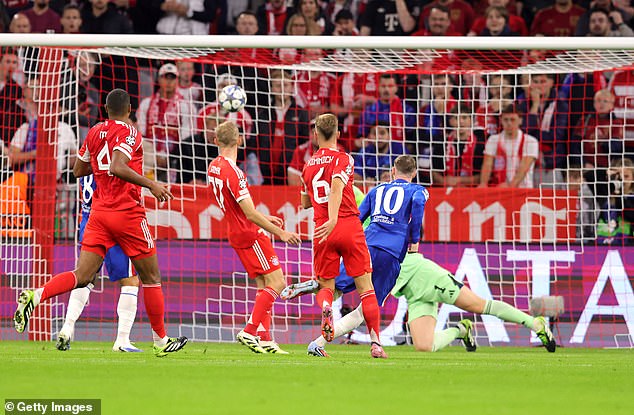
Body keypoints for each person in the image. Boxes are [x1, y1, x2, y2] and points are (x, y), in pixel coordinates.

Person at [13, 89, 188, 358]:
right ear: (129, 109)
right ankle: (161, 339)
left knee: (82, 276)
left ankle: (36, 296)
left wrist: (99, 166)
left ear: (106, 109)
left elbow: (78, 170)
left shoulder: (94, 131)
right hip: (127, 213)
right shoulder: (130, 132)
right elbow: (117, 166)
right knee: (151, 277)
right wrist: (151, 184)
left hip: (98, 213)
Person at [286, 155, 429, 357]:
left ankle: (315, 287)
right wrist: (414, 241)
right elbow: (418, 210)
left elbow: (358, 216)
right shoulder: (419, 191)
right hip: (391, 253)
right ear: (414, 173)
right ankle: (341, 344)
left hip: (366, 245)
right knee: (366, 306)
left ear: (393, 171)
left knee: (333, 287)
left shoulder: (377, 190)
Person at [208, 121, 302, 354]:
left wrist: (265, 217)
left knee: (264, 284)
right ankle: (250, 331)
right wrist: (281, 233)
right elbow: (249, 213)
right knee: (278, 283)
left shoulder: (214, 167)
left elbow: (238, 207)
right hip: (250, 233)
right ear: (239, 140)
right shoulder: (235, 173)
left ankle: (265, 338)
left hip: (235, 231)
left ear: (215, 141)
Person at [300, 113, 386, 358]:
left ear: (315, 135)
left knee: (325, 286)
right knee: (366, 289)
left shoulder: (307, 166)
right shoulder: (344, 158)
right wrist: (334, 218)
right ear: (338, 134)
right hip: (346, 225)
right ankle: (376, 343)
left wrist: (324, 213)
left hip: (321, 230)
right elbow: (337, 187)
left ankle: (327, 307)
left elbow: (305, 202)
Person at [390, 250, 557, 353]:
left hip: (427, 276)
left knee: (480, 305)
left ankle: (535, 323)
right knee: (424, 346)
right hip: (413, 292)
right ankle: (461, 330)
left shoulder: (383, 232)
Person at [56, 174, 141, 353]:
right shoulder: (110, 160)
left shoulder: (86, 160)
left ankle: (67, 327)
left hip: (87, 221)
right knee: (130, 280)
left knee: (85, 278)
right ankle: (122, 340)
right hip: (109, 221)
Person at [478, 105, 539, 188]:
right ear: (501, 120)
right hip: (499, 188)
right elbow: (487, 165)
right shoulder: (493, 140)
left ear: (520, 121)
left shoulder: (531, 141)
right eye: (506, 120)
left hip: (523, 189)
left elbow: (523, 169)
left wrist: (510, 187)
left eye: (512, 120)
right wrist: (483, 183)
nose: (509, 123)